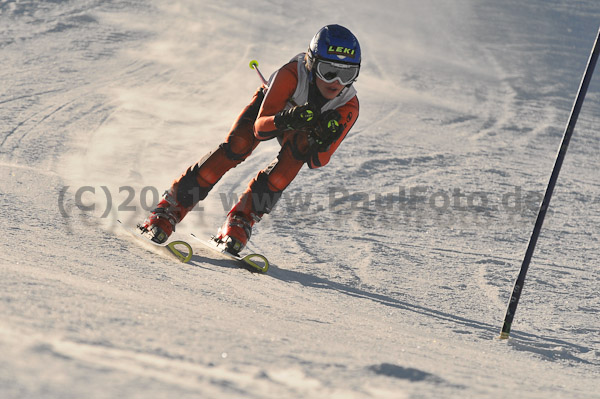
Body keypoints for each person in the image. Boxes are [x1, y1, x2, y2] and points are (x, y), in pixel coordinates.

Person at [139, 24, 361, 254]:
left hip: (298, 128)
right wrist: (287, 118)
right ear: (312, 64)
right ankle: (170, 208)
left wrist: (321, 139)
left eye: (347, 74)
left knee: (297, 154)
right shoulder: (292, 74)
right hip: (273, 112)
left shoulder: (348, 105)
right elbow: (260, 129)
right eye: (328, 71)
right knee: (238, 145)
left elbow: (317, 161)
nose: (336, 82)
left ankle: (240, 219)